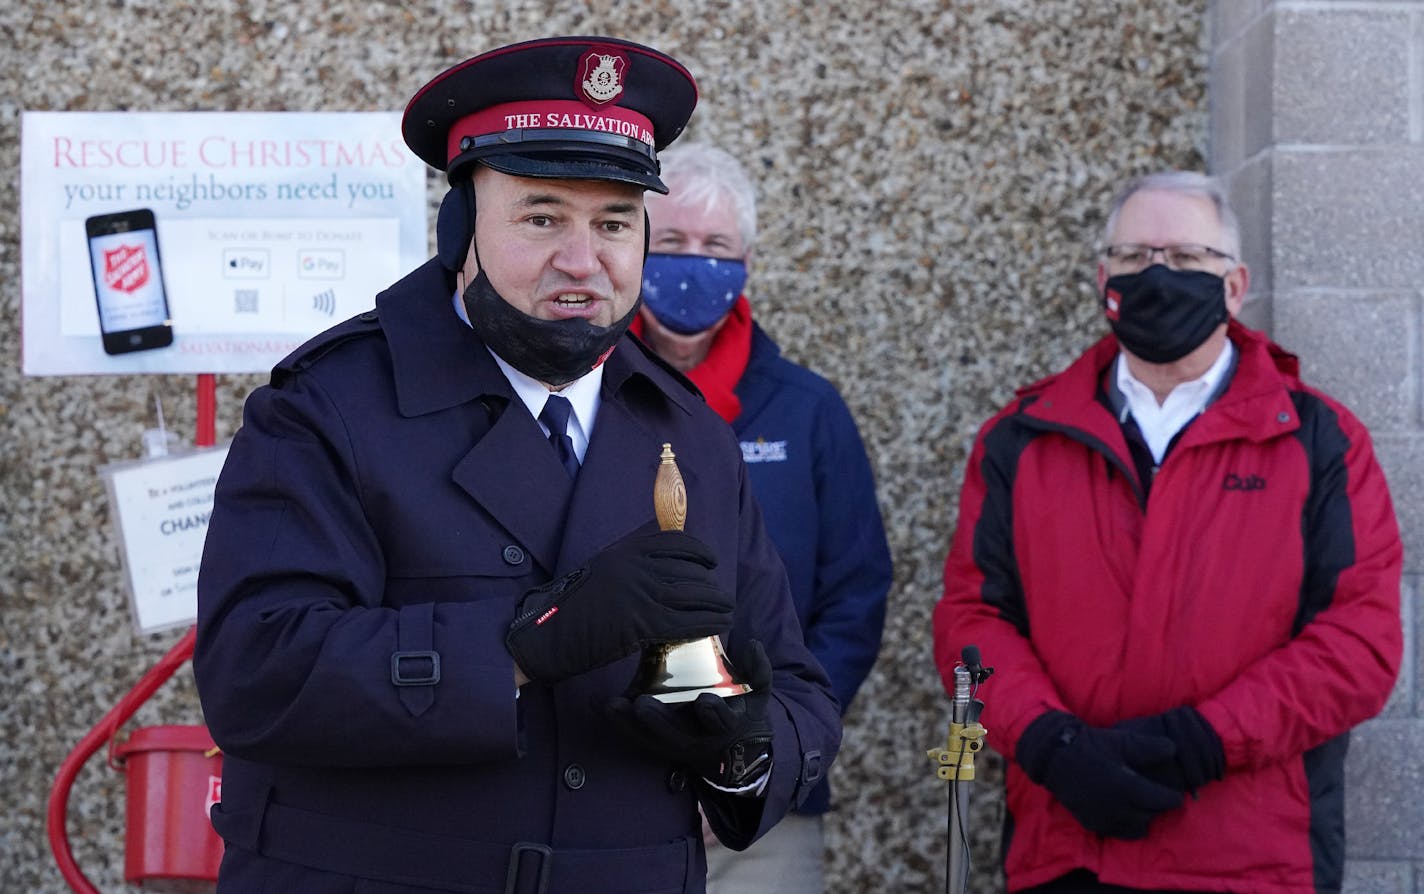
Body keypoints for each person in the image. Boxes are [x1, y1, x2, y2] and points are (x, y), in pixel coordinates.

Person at [193, 36, 841, 894]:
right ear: (461, 229)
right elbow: (254, 673)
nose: (584, 260)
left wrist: (740, 746)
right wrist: (520, 646)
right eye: (542, 217)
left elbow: (796, 683)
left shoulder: (690, 431)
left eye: (613, 222)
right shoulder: (327, 410)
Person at [933, 171, 1402, 893]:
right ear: (1102, 278)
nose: (1158, 275)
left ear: (1235, 285)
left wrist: (1205, 743)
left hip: (1253, 861)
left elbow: (1359, 643)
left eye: (1186, 258)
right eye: (1135, 257)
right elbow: (972, 620)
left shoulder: (1319, 442)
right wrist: (1049, 744)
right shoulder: (1019, 442)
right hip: (1068, 850)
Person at [631, 142, 892, 892]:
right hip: (606, 790)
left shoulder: (809, 411)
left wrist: (767, 751)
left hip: (766, 808)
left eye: (715, 247)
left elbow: (855, 595)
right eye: (672, 242)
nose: (693, 263)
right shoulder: (585, 396)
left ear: (747, 260)